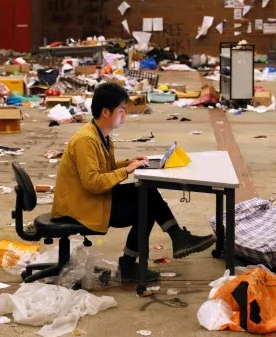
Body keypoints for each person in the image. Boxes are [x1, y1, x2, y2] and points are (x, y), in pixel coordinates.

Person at [51, 82, 216, 282]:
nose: (124, 116)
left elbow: (105, 168)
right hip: (83, 206)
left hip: (92, 197)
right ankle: (139, 260)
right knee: (145, 206)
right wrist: (126, 170)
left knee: (147, 193)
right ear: (105, 112)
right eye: (121, 111)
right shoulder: (86, 140)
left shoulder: (100, 135)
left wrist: (129, 163)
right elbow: (93, 182)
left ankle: (174, 239)